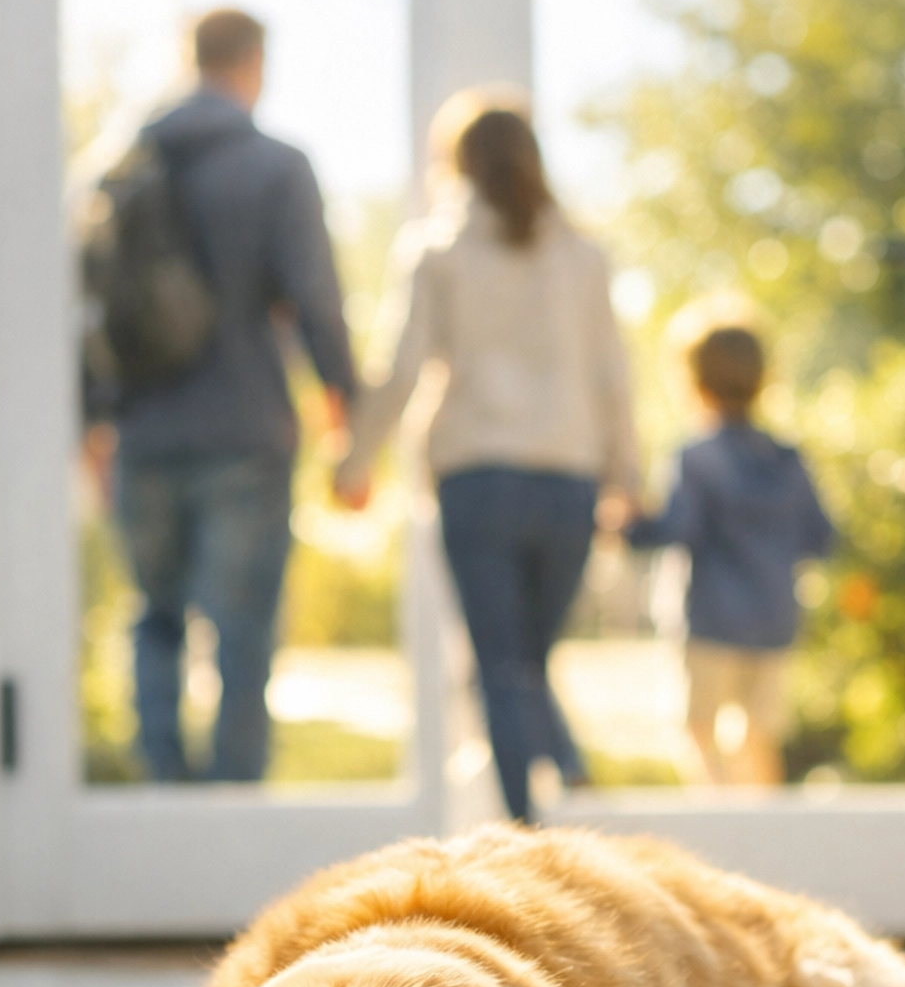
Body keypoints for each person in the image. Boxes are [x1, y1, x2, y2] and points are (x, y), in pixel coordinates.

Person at [335, 91, 639, 821]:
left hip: (477, 478)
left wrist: (356, 458)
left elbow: (401, 365)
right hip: (567, 478)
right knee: (525, 664)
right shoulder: (583, 256)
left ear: (457, 163)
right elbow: (612, 375)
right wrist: (626, 474)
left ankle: (526, 836)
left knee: (502, 669)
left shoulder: (437, 249)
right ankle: (563, 774)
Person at [86, 8, 357, 783]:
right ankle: (233, 805)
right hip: (247, 425)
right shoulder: (276, 166)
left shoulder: (120, 164)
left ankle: (162, 789)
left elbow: (86, 304)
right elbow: (314, 296)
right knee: (241, 629)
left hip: (141, 428)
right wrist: (344, 404)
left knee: (155, 616)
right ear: (254, 63)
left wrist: (93, 422)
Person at [626, 317, 832, 786]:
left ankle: (716, 816)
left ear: (693, 382)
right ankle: (764, 821)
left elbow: (678, 527)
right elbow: (820, 536)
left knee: (698, 728)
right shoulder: (787, 459)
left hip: (710, 620)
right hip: (773, 618)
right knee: (759, 734)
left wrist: (632, 526)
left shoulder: (696, 456)